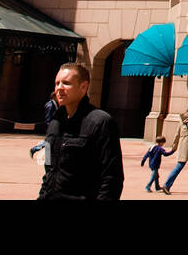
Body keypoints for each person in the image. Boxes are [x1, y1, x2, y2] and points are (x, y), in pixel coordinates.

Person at [37, 63, 124, 200]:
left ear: (83, 86)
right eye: (57, 83)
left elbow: (112, 178)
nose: (59, 88)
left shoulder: (101, 122)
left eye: (66, 83)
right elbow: (49, 171)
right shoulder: (55, 122)